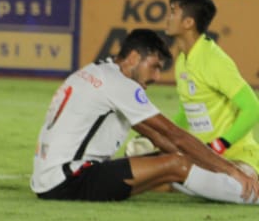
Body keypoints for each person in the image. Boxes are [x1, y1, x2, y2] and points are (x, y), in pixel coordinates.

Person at [30, 28, 259, 203]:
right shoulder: (119, 84)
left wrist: (209, 161)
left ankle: (234, 185)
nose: (157, 76)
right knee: (176, 163)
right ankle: (251, 195)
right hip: (71, 179)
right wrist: (231, 169)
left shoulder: (98, 71)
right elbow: (174, 135)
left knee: (171, 161)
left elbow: (160, 138)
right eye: (155, 66)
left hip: (51, 177)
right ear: (133, 57)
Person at [160, 0, 259, 175]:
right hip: (202, 156)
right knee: (147, 166)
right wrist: (164, 136)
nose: (168, 18)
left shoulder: (214, 60)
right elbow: (186, 112)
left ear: (188, 22)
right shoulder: (183, 60)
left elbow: (252, 107)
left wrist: (221, 144)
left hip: (237, 156)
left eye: (173, 12)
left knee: (232, 185)